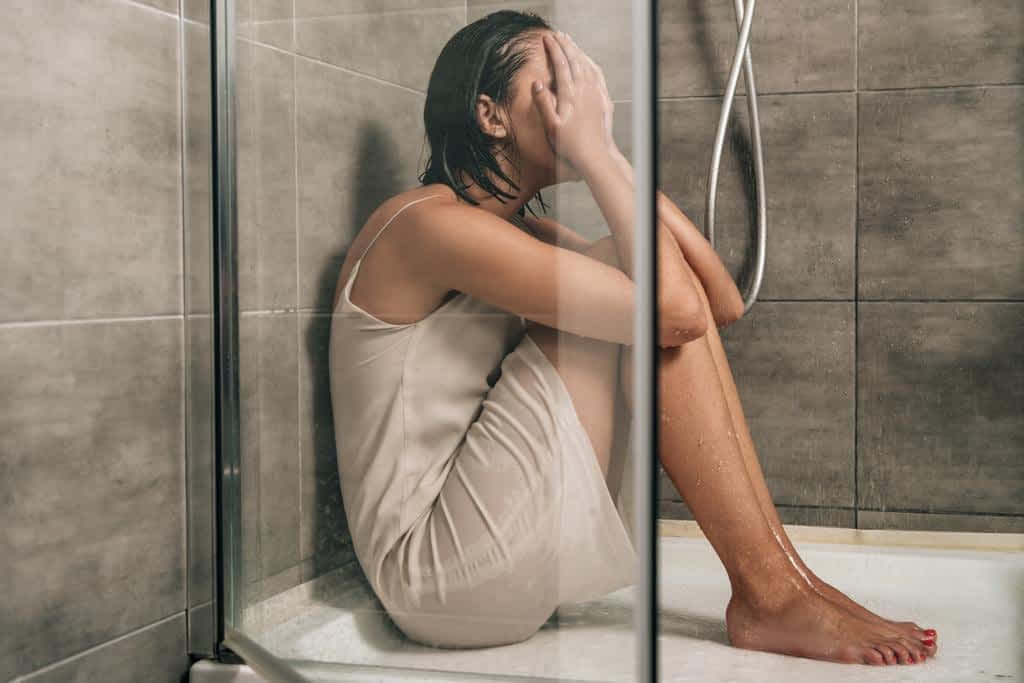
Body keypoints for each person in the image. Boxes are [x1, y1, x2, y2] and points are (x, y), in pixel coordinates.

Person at [328, 9, 938, 665]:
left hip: (483, 558)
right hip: (437, 577)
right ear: (490, 114)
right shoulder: (426, 226)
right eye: (561, 77)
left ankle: (788, 579)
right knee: (632, 281)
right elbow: (674, 315)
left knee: (635, 277)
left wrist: (609, 158)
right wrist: (597, 156)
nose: (586, 98)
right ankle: (769, 593)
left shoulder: (515, 238)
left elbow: (717, 304)